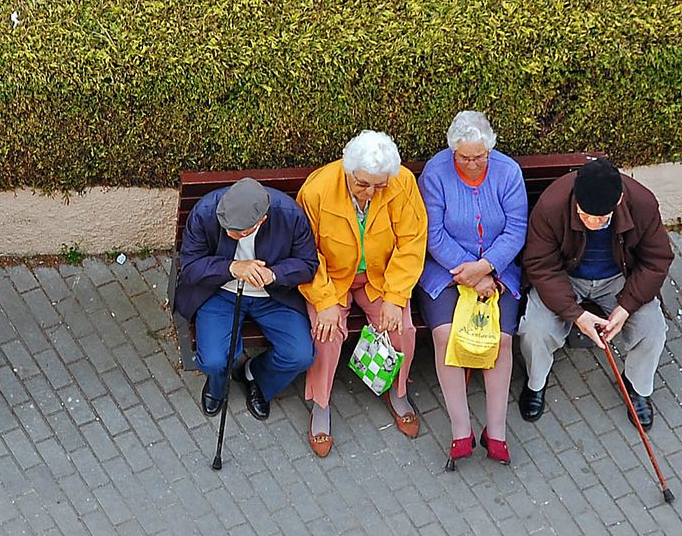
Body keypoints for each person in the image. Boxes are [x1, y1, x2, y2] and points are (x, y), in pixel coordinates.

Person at [297, 130, 428, 457]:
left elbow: (412, 241)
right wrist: (324, 301)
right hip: (332, 279)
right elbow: (303, 252)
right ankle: (321, 404)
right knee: (326, 335)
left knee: (403, 330)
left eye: (379, 185)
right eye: (363, 184)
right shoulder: (317, 190)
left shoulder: (402, 183)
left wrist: (396, 297)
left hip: (380, 277)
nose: (371, 192)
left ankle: (397, 392)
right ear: (347, 169)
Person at [519, 158, 672, 430]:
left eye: (601, 217)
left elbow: (656, 260)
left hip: (618, 278)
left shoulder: (643, 203)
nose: (591, 221)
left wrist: (626, 306)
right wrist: (575, 315)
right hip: (565, 275)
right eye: (584, 214)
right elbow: (541, 266)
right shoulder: (552, 205)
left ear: (619, 199)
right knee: (535, 329)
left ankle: (637, 386)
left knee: (653, 329)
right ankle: (535, 382)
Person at [415, 111, 527, 468]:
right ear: (453, 152)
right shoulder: (435, 173)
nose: (474, 164)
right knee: (446, 336)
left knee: (501, 339)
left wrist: (487, 267)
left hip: (498, 271)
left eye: (480, 157)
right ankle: (460, 430)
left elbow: (516, 229)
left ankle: (496, 432)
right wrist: (471, 271)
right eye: (465, 157)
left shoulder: (508, 172)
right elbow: (432, 234)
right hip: (445, 271)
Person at [176, 177, 318, 421]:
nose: (231, 234)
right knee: (213, 360)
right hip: (220, 292)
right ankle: (218, 386)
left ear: (262, 220)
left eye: (240, 232)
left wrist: (274, 274)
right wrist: (232, 268)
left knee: (300, 354)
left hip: (273, 295)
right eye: (227, 228)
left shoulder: (290, 215)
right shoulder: (206, 212)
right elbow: (189, 267)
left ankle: (257, 377)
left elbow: (308, 265)